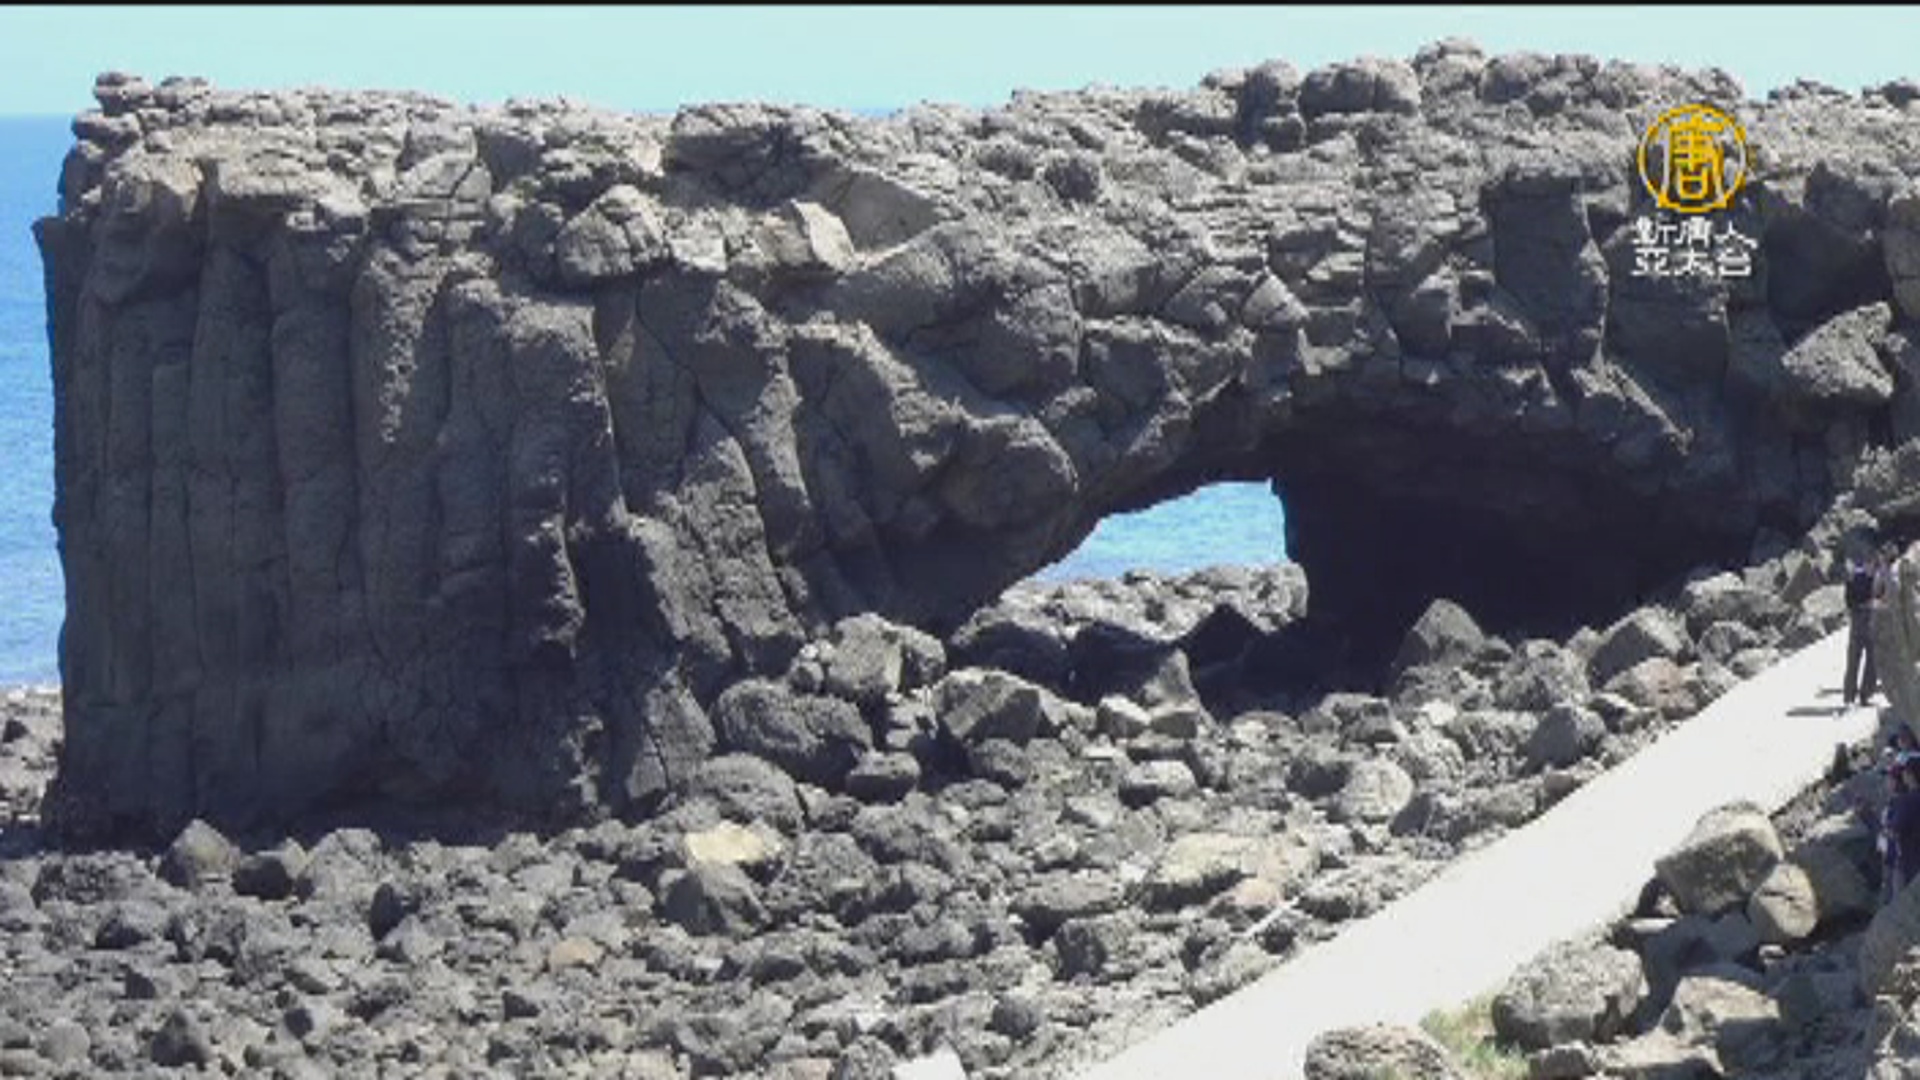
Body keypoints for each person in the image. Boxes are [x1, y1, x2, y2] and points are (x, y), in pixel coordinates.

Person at [1843, 543, 1887, 708]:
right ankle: (1851, 696)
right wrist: (1866, 605)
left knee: (1871, 660)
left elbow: (1883, 598)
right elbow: (1849, 600)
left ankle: (1863, 695)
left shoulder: (1878, 578)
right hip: (1861, 620)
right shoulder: (1857, 577)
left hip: (1870, 620)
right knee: (1855, 659)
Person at [1889, 756, 1920, 897]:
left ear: (1910, 775)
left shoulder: (1906, 800)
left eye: (1905, 772)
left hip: (1910, 860)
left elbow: (1894, 830)